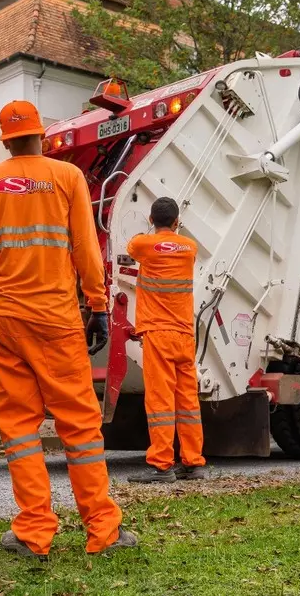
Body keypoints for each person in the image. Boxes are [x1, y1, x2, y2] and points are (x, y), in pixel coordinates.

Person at [0, 100, 136, 560]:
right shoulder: (67, 177)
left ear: (4, 140)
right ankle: (103, 530)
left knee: (18, 428)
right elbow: (84, 246)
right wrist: (98, 305)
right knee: (78, 425)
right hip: (55, 318)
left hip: (2, 320)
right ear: (41, 133)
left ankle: (33, 533)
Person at [126, 197, 207, 483]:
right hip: (184, 333)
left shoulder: (143, 246)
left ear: (151, 219)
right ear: (177, 222)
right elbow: (177, 245)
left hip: (158, 333)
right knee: (187, 399)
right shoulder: (190, 248)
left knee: (160, 399)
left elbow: (133, 245)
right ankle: (193, 462)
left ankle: (162, 464)